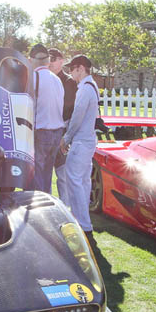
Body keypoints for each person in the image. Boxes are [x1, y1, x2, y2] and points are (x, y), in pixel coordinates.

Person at [60, 54, 98, 241]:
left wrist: (66, 138)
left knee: (74, 180)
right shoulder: (91, 86)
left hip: (82, 141)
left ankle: (81, 224)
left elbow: (77, 117)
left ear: (80, 68)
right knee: (82, 182)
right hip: (87, 140)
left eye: (71, 69)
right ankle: (83, 223)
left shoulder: (85, 89)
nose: (70, 73)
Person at [29, 44, 65, 193]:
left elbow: (29, 106)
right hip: (56, 131)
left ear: (31, 60)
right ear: (48, 61)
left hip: (41, 130)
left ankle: (38, 209)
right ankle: (47, 205)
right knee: (47, 174)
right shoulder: (57, 79)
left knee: (36, 174)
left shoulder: (33, 77)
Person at [49, 48, 77, 202]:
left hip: (63, 133)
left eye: (54, 58)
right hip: (44, 133)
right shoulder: (41, 79)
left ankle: (65, 207)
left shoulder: (69, 82)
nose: (50, 62)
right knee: (43, 174)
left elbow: (72, 111)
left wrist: (66, 136)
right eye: (48, 58)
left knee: (63, 175)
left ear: (61, 60)